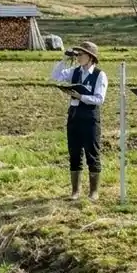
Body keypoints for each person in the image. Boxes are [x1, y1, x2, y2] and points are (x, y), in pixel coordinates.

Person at [48, 41, 107, 201]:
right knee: (74, 153)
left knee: (92, 153)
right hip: (74, 115)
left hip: (90, 116)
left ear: (90, 57)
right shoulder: (74, 71)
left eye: (81, 54)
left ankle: (94, 191)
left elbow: (99, 99)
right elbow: (55, 76)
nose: (78, 57)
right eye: (78, 54)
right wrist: (64, 59)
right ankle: (75, 191)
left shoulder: (99, 75)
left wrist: (81, 97)